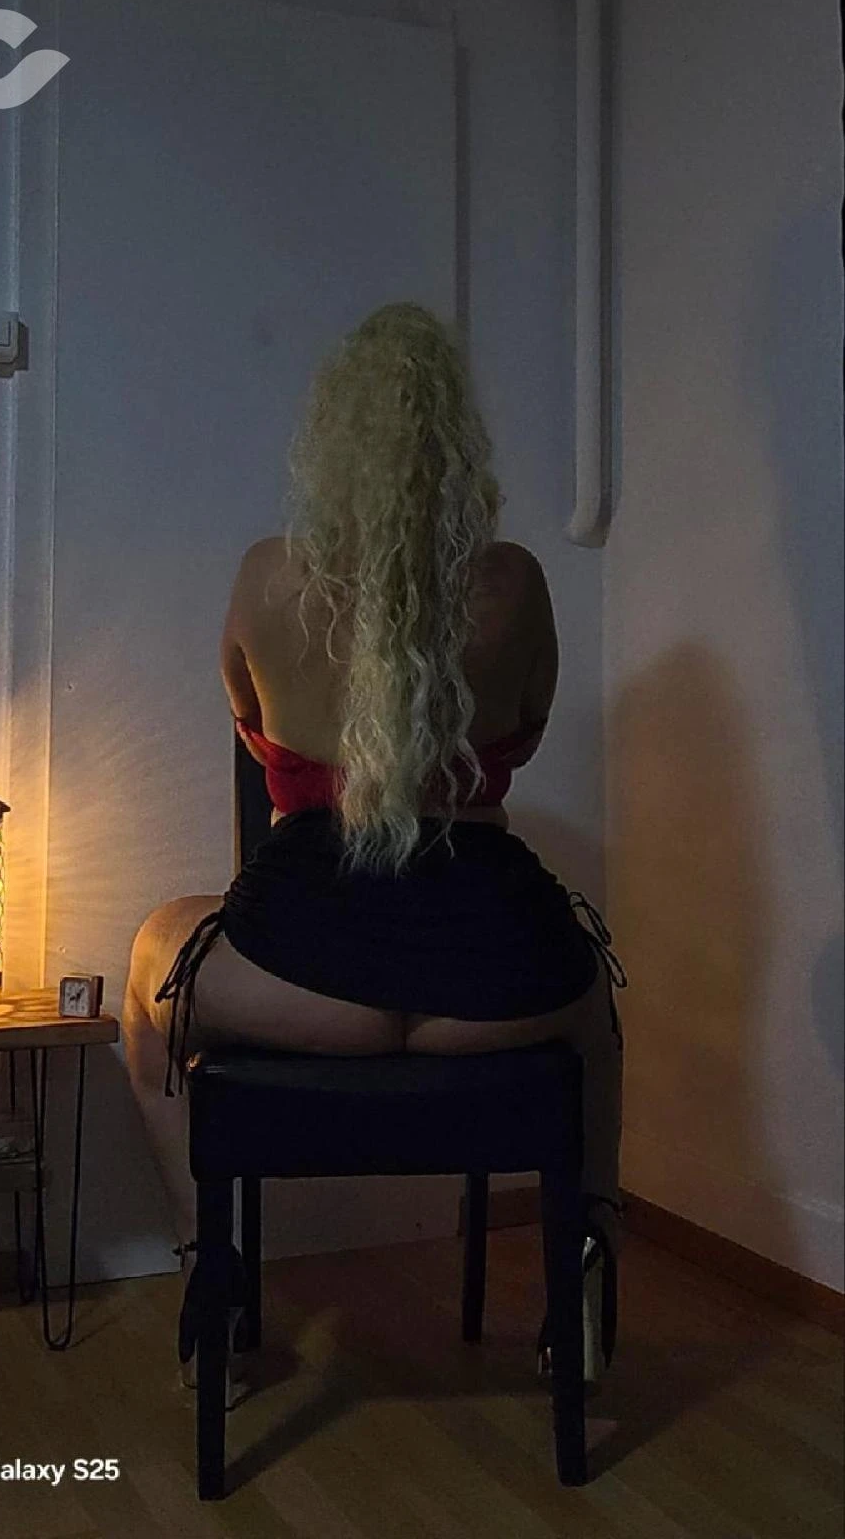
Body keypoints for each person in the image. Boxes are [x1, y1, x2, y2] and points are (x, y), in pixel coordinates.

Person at [122, 301, 626, 1392]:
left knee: (151, 959)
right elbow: (525, 726)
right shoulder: (513, 582)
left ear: (329, 441)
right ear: (456, 444)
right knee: (594, 1008)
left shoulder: (267, 576)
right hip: (491, 975)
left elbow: (248, 719)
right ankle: (585, 1257)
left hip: (306, 968)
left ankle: (209, 1261)